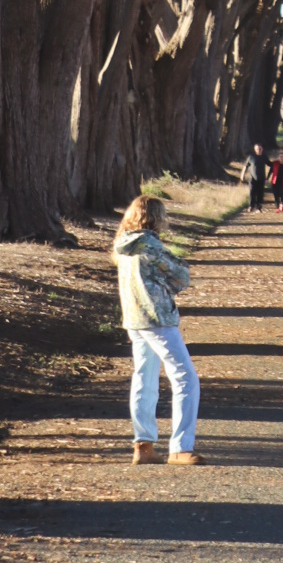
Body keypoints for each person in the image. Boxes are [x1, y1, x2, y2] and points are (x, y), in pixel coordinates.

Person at [113, 194, 203, 466]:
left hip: (134, 319)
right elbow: (181, 276)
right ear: (155, 218)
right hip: (158, 317)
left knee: (144, 378)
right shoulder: (150, 245)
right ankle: (180, 447)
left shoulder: (123, 245)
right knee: (185, 378)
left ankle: (143, 446)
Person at [243, 143, 268, 212]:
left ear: (262, 149)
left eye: (260, 149)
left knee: (260, 193)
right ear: (255, 149)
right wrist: (242, 175)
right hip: (252, 178)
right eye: (257, 149)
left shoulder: (264, 157)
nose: (259, 150)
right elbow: (246, 166)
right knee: (252, 192)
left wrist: (267, 178)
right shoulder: (251, 157)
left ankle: (258, 208)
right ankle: (251, 206)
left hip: (261, 178)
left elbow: (270, 164)